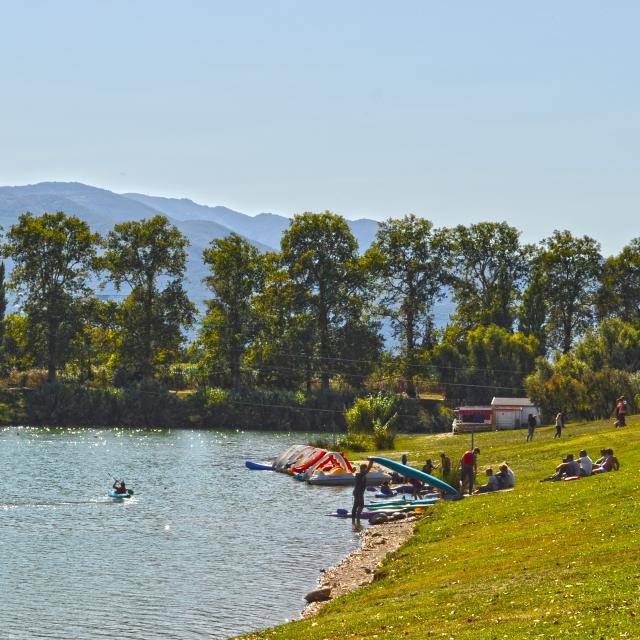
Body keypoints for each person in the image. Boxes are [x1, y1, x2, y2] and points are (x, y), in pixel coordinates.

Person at [352, 461, 374, 526]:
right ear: (363, 468)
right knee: (361, 505)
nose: (366, 469)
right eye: (365, 468)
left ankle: (353, 521)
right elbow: (369, 468)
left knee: (355, 506)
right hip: (359, 492)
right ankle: (358, 520)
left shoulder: (357, 474)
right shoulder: (362, 474)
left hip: (355, 491)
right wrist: (372, 461)